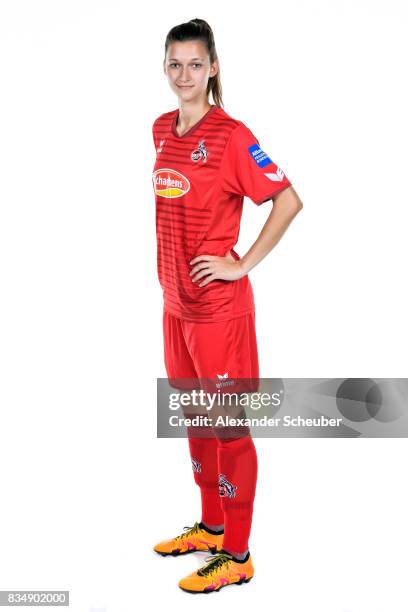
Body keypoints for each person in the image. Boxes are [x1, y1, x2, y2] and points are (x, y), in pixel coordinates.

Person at [151, 18, 303, 594]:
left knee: (229, 427)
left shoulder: (234, 135)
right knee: (195, 420)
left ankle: (237, 554)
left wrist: (241, 264)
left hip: (219, 313)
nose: (184, 74)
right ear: (164, 68)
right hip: (175, 305)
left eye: (195, 64)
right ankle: (212, 527)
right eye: (174, 64)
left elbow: (287, 200)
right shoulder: (161, 128)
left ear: (212, 67)